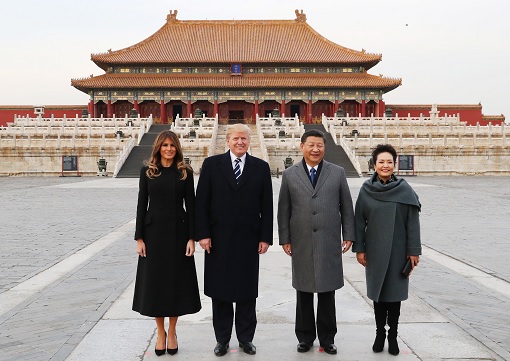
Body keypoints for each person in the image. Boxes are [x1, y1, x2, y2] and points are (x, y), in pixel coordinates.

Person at [195, 123, 273, 357]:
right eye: (236, 139)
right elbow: (202, 203)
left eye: (244, 139)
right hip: (217, 239)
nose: (240, 142)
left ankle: (246, 339)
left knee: (247, 292)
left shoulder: (260, 167)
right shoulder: (212, 165)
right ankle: (222, 339)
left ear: (249, 141)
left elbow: (266, 206)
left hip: (249, 239)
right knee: (220, 293)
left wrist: (265, 237)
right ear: (227, 141)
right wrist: (203, 234)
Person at [277, 129, 355, 355]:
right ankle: (305, 336)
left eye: (319, 145)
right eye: (311, 145)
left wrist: (348, 234)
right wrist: (285, 238)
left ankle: (327, 338)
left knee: (327, 291)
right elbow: (284, 209)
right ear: (302, 146)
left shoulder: (337, 172)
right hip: (301, 239)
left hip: (329, 239)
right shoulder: (290, 174)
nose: (315, 149)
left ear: (324, 147)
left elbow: (346, 207)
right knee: (303, 290)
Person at [132, 130, 201, 356]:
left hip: (179, 234)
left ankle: (172, 331)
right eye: (165, 145)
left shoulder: (184, 172)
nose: (169, 149)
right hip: (153, 236)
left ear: (177, 148)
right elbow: (142, 205)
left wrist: (192, 237)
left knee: (176, 284)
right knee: (156, 285)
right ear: (158, 148)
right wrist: (139, 238)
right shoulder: (148, 172)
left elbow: (191, 207)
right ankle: (160, 332)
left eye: (172, 145)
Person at [352, 144, 421, 356]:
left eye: (389, 162)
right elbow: (358, 222)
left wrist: (413, 251)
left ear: (394, 164)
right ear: (374, 164)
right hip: (375, 250)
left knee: (395, 296)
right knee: (379, 296)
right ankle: (379, 333)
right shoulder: (366, 190)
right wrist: (360, 249)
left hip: (399, 250)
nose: (385, 165)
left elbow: (412, 223)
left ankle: (393, 336)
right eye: (381, 162)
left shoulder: (405, 189)